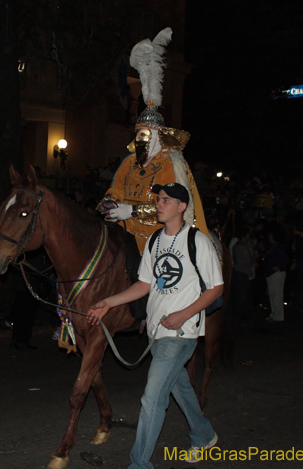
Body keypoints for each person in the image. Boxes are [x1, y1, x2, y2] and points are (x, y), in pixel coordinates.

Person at [87, 183, 223, 468]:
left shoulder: (197, 241)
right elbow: (144, 284)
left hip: (180, 333)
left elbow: (215, 289)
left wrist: (183, 314)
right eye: (159, 199)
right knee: (179, 387)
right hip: (156, 331)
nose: (159, 204)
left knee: (152, 398)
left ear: (182, 207)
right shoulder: (154, 241)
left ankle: (139, 464)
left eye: (166, 200)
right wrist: (108, 302)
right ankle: (203, 435)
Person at [98, 28, 209, 256]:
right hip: (124, 234)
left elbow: (170, 205)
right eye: (138, 135)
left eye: (145, 136)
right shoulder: (129, 163)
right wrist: (110, 202)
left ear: (157, 137)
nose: (140, 141)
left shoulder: (170, 163)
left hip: (158, 238)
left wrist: (132, 210)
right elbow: (116, 190)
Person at [263, 226, 289, 322]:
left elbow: (285, 259)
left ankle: (278, 316)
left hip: (276, 273)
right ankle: (274, 314)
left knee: (277, 295)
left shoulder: (280, 246)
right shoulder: (271, 246)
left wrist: (280, 267)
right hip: (270, 272)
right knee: (272, 295)